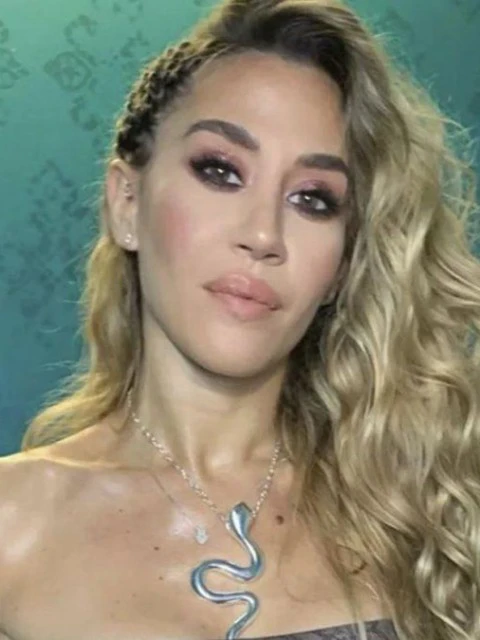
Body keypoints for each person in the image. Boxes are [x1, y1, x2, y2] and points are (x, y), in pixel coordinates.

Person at [1, 0, 479, 638]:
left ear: (341, 265)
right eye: (220, 171)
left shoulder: (432, 512)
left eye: (313, 199)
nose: (263, 235)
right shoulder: (12, 526)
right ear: (127, 203)